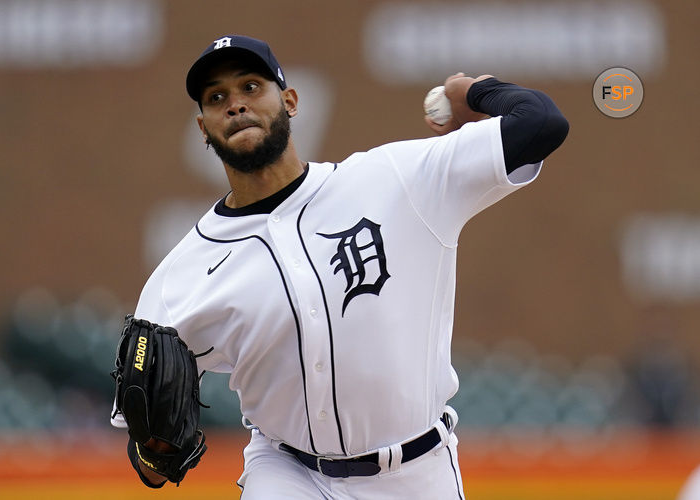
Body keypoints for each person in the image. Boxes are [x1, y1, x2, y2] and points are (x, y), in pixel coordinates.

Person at [112, 34, 568, 498]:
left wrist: (475, 91)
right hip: (287, 474)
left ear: (289, 101)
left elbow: (542, 123)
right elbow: (150, 464)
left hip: (417, 472)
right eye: (217, 98)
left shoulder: (394, 179)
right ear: (203, 127)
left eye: (251, 87)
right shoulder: (181, 276)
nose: (235, 104)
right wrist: (152, 449)